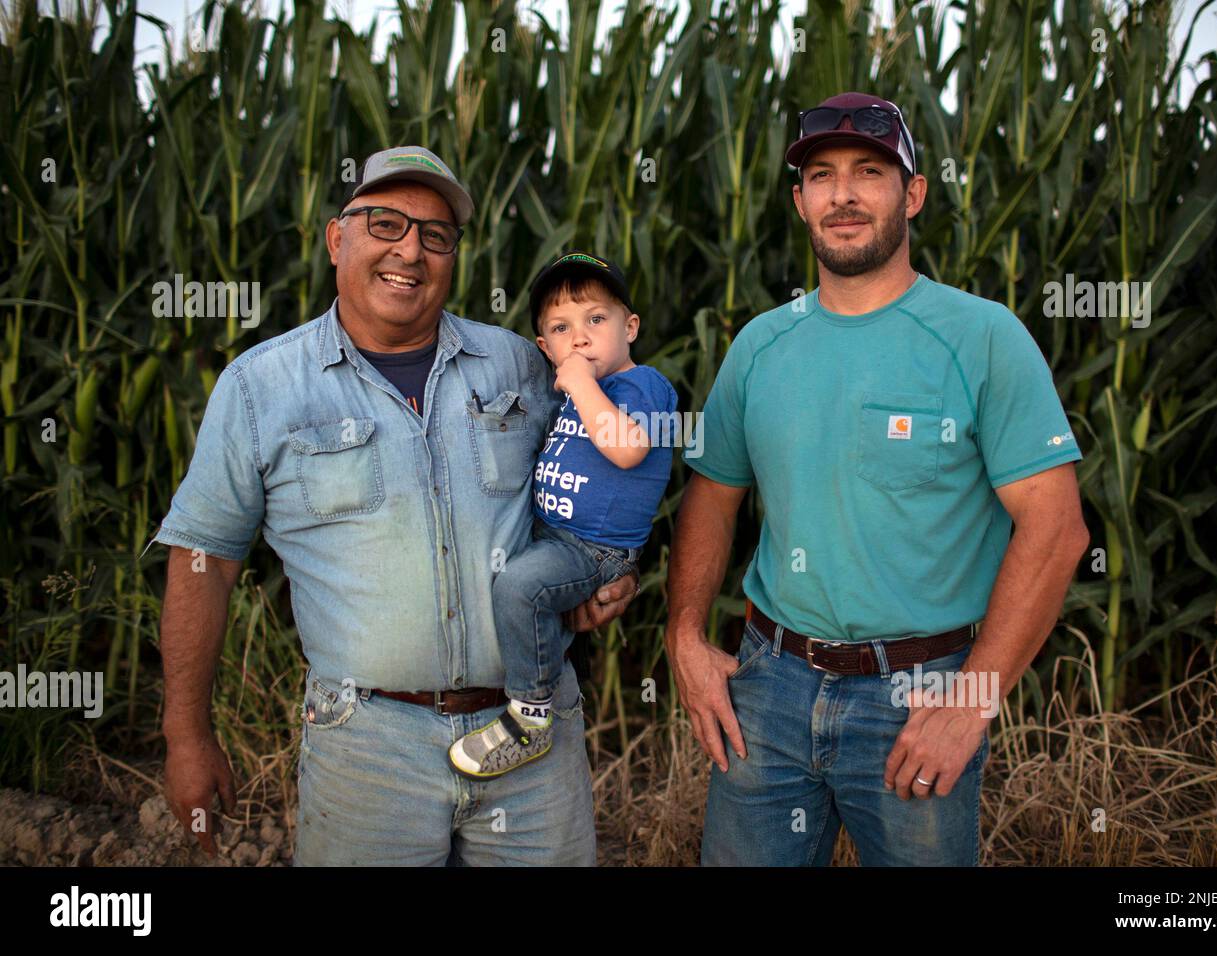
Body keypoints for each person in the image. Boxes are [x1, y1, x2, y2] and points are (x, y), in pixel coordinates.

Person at [151, 146, 636, 866]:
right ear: (336, 237)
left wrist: (603, 574)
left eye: (436, 235)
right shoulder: (261, 388)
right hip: (369, 751)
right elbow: (205, 564)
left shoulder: (521, 366)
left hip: (530, 736)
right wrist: (186, 736)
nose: (410, 249)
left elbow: (587, 482)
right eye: (386, 223)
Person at [665, 92, 1090, 866]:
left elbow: (1057, 529)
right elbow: (712, 497)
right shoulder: (761, 345)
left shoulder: (982, 336)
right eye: (821, 176)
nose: (844, 194)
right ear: (800, 203)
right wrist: (685, 636)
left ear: (914, 194)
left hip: (920, 696)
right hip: (768, 689)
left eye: (870, 171)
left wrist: (973, 700)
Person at [449, 252, 676, 777]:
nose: (580, 338)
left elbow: (626, 449)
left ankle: (530, 715)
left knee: (518, 587)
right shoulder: (580, 394)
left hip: (593, 550)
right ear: (543, 348)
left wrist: (578, 383)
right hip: (555, 535)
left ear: (631, 327)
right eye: (561, 328)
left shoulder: (642, 386)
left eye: (597, 320)